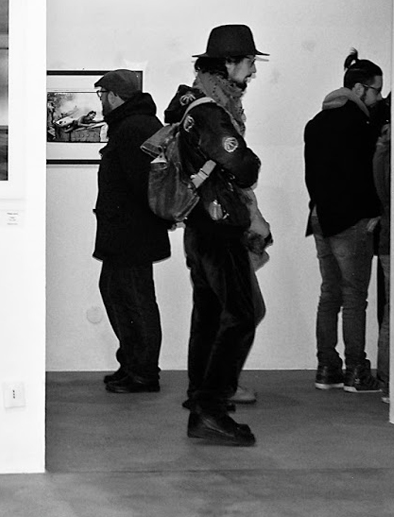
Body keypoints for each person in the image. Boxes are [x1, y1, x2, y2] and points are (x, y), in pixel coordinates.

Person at [165, 24, 265, 447]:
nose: (253, 71)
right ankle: (210, 408)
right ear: (228, 63)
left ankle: (199, 396)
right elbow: (243, 165)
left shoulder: (192, 103)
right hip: (218, 225)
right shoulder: (210, 112)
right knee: (242, 313)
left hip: (201, 225)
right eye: (249, 62)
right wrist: (250, 163)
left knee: (210, 313)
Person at [304, 49, 385, 394]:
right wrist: (375, 212)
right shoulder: (360, 125)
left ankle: (327, 367)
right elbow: (366, 176)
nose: (379, 97)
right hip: (352, 221)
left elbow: (312, 176)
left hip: (320, 217)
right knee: (354, 298)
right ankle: (355, 371)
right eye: (376, 90)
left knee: (329, 294)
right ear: (360, 89)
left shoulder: (316, 123)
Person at [91, 69, 171, 393]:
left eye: (102, 95)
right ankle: (132, 364)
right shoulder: (132, 124)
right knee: (118, 293)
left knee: (135, 299)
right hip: (126, 232)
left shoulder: (134, 127)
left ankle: (144, 372)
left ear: (114, 95)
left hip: (132, 233)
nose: (101, 101)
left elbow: (144, 184)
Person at [373, 95, 392, 404]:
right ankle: (390, 381)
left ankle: (387, 380)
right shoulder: (390, 157)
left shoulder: (379, 154)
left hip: (387, 236)